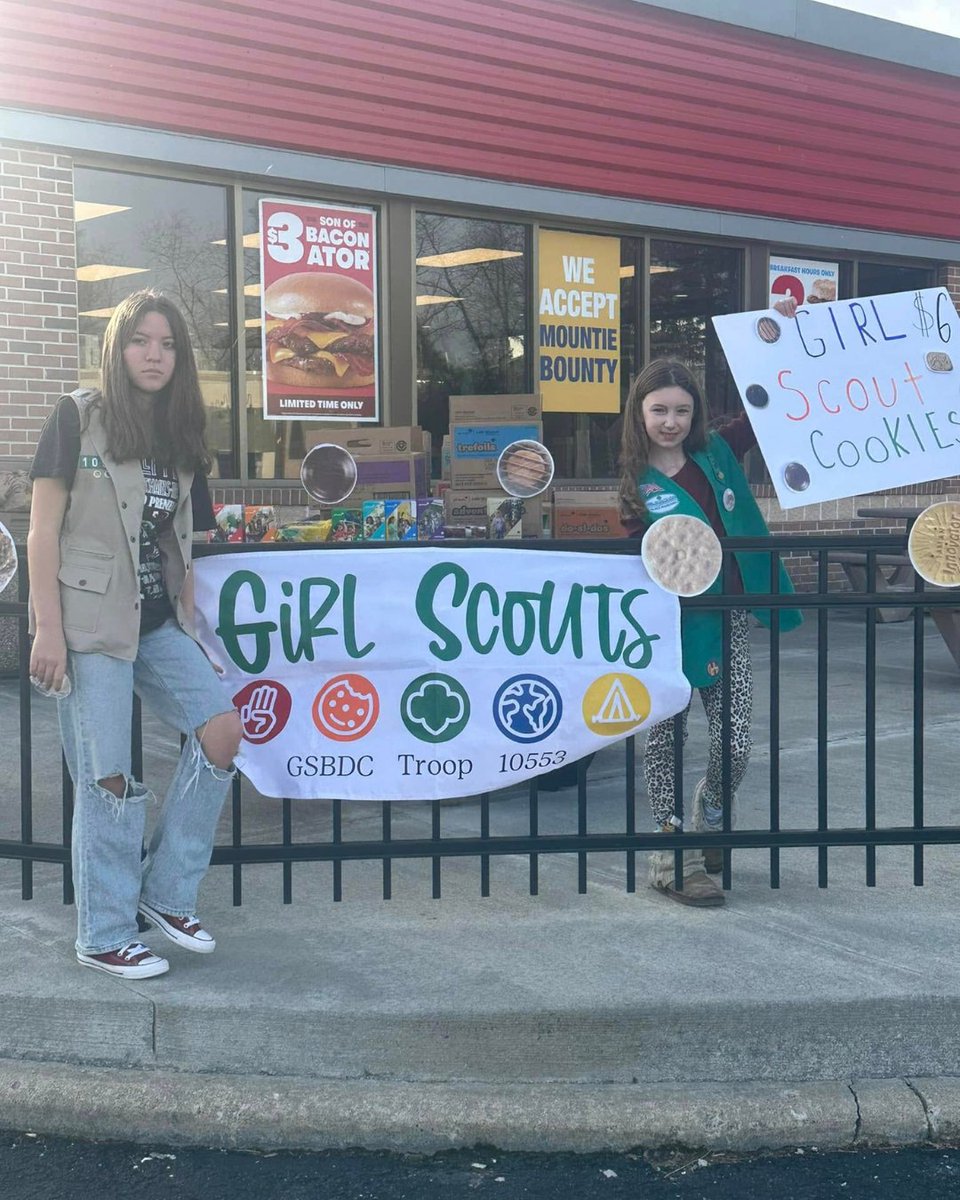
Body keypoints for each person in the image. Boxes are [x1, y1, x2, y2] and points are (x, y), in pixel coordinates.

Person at [27, 290, 242, 978]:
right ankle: (104, 932)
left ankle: (166, 894)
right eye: (141, 341)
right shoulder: (78, 417)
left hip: (155, 622)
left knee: (222, 732)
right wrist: (48, 630)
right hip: (90, 621)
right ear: (118, 349)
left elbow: (181, 539)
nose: (155, 355)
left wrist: (189, 625)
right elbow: (40, 531)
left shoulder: (180, 435)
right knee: (108, 777)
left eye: (168, 344)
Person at [618, 318, 802, 908]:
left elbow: (761, 416)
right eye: (659, 410)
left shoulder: (715, 454)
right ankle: (673, 860)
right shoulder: (631, 484)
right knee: (664, 744)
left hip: (725, 620)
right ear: (639, 413)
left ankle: (711, 816)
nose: (671, 422)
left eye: (682, 410)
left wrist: (788, 351)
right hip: (663, 631)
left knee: (737, 741)